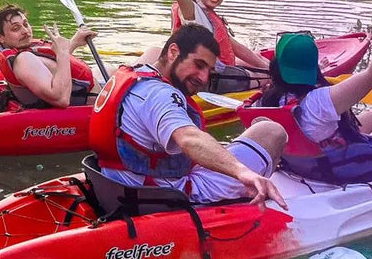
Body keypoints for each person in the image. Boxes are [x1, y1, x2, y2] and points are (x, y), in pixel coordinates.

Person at [88, 25, 288, 206]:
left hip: (118, 181)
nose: (203, 78)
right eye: (198, 65)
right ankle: (256, 200)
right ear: (173, 52)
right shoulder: (162, 94)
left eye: (209, 70)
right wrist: (242, 172)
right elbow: (188, 138)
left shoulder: (134, 75)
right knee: (270, 130)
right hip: (165, 193)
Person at [142, 0, 268, 92]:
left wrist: (265, 65)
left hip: (220, 67)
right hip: (212, 78)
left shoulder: (209, 15)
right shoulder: (192, 12)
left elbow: (237, 47)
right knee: (267, 77)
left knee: (258, 59)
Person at [258, 32, 372, 184]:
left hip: (302, 166)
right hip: (339, 169)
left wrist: (318, 68)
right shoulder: (320, 101)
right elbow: (369, 76)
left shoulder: (267, 100)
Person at [0, 4, 96, 108]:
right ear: (0, 37)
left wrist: (73, 43)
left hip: (87, 89)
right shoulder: (23, 60)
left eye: (25, 24)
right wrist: (63, 53)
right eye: (16, 29)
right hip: (88, 102)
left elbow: (52, 65)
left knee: (109, 70)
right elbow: (61, 99)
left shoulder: (22, 50)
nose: (25, 31)